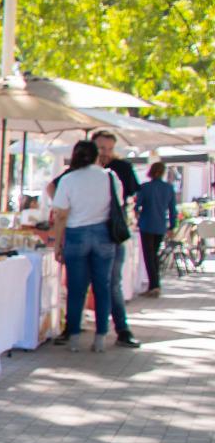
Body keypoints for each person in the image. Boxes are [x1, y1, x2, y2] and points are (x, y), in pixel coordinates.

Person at [50, 140, 124, 353]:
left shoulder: (69, 179)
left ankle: (73, 337)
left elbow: (61, 214)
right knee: (102, 287)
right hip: (103, 234)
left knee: (76, 289)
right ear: (96, 156)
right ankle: (100, 337)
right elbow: (118, 204)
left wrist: (57, 244)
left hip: (76, 234)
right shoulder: (109, 177)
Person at [93, 130, 141, 348]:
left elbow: (129, 198)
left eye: (110, 149)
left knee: (113, 283)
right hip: (88, 232)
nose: (106, 153)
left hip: (113, 233)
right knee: (82, 282)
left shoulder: (121, 169)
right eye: (102, 148)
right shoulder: (81, 168)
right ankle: (72, 328)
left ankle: (121, 329)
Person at [136, 161, 177, 297]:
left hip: (146, 224)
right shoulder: (168, 188)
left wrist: (137, 215)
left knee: (149, 256)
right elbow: (172, 210)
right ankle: (155, 284)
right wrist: (172, 226)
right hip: (160, 225)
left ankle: (154, 285)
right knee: (154, 255)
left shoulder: (145, 187)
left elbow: (137, 206)